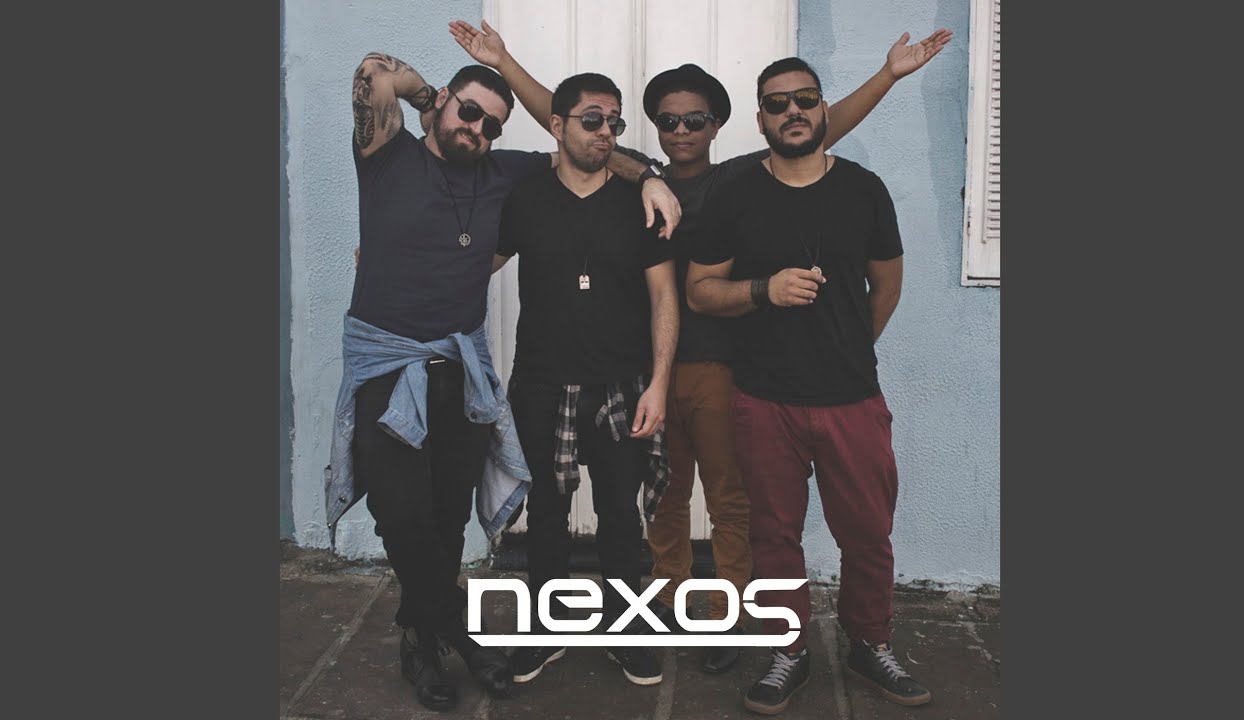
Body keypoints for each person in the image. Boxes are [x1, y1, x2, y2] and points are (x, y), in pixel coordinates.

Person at [448, 19, 950, 676]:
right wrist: (505, 63)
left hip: (718, 367)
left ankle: (725, 616)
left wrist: (886, 76)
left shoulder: (738, 179)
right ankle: (663, 605)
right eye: (668, 121)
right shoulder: (630, 174)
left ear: (719, 126)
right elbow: (571, 121)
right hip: (642, 369)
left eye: (695, 120)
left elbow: (815, 128)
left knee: (729, 499)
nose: (681, 131)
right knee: (660, 502)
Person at [324, 49, 682, 712]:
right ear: (443, 104)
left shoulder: (505, 173)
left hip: (461, 368)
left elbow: (586, 148)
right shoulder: (387, 156)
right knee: (399, 511)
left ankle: (422, 643)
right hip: (388, 363)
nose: (478, 131)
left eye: (492, 125)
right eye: (468, 113)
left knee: (447, 517)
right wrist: (429, 95)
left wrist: (653, 176)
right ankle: (464, 635)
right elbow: (375, 70)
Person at [686, 57, 930, 713]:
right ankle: (787, 650)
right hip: (764, 397)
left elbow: (888, 284)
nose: (792, 111)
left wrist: (848, 347)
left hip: (852, 397)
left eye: (805, 98)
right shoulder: (734, 194)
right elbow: (700, 290)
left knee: (868, 533)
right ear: (760, 117)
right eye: (777, 103)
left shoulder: (864, 190)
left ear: (822, 109)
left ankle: (869, 642)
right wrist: (763, 290)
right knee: (774, 535)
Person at [491, 72, 679, 688]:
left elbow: (664, 297)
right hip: (541, 384)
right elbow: (474, 265)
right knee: (546, 516)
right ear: (557, 125)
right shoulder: (525, 199)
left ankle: (626, 632)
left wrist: (658, 383)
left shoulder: (640, 202)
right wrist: (400, 262)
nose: (605, 132)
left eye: (614, 122)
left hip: (622, 385)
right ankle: (547, 632)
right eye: (592, 119)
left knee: (620, 517)